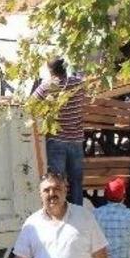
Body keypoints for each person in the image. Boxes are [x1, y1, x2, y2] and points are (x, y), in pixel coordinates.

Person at [33, 58, 87, 205]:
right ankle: (77, 211)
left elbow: (31, 104)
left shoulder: (47, 86)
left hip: (57, 141)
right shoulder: (78, 83)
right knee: (76, 181)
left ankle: (59, 211)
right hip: (76, 140)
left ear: (50, 71)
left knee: (57, 181)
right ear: (65, 68)